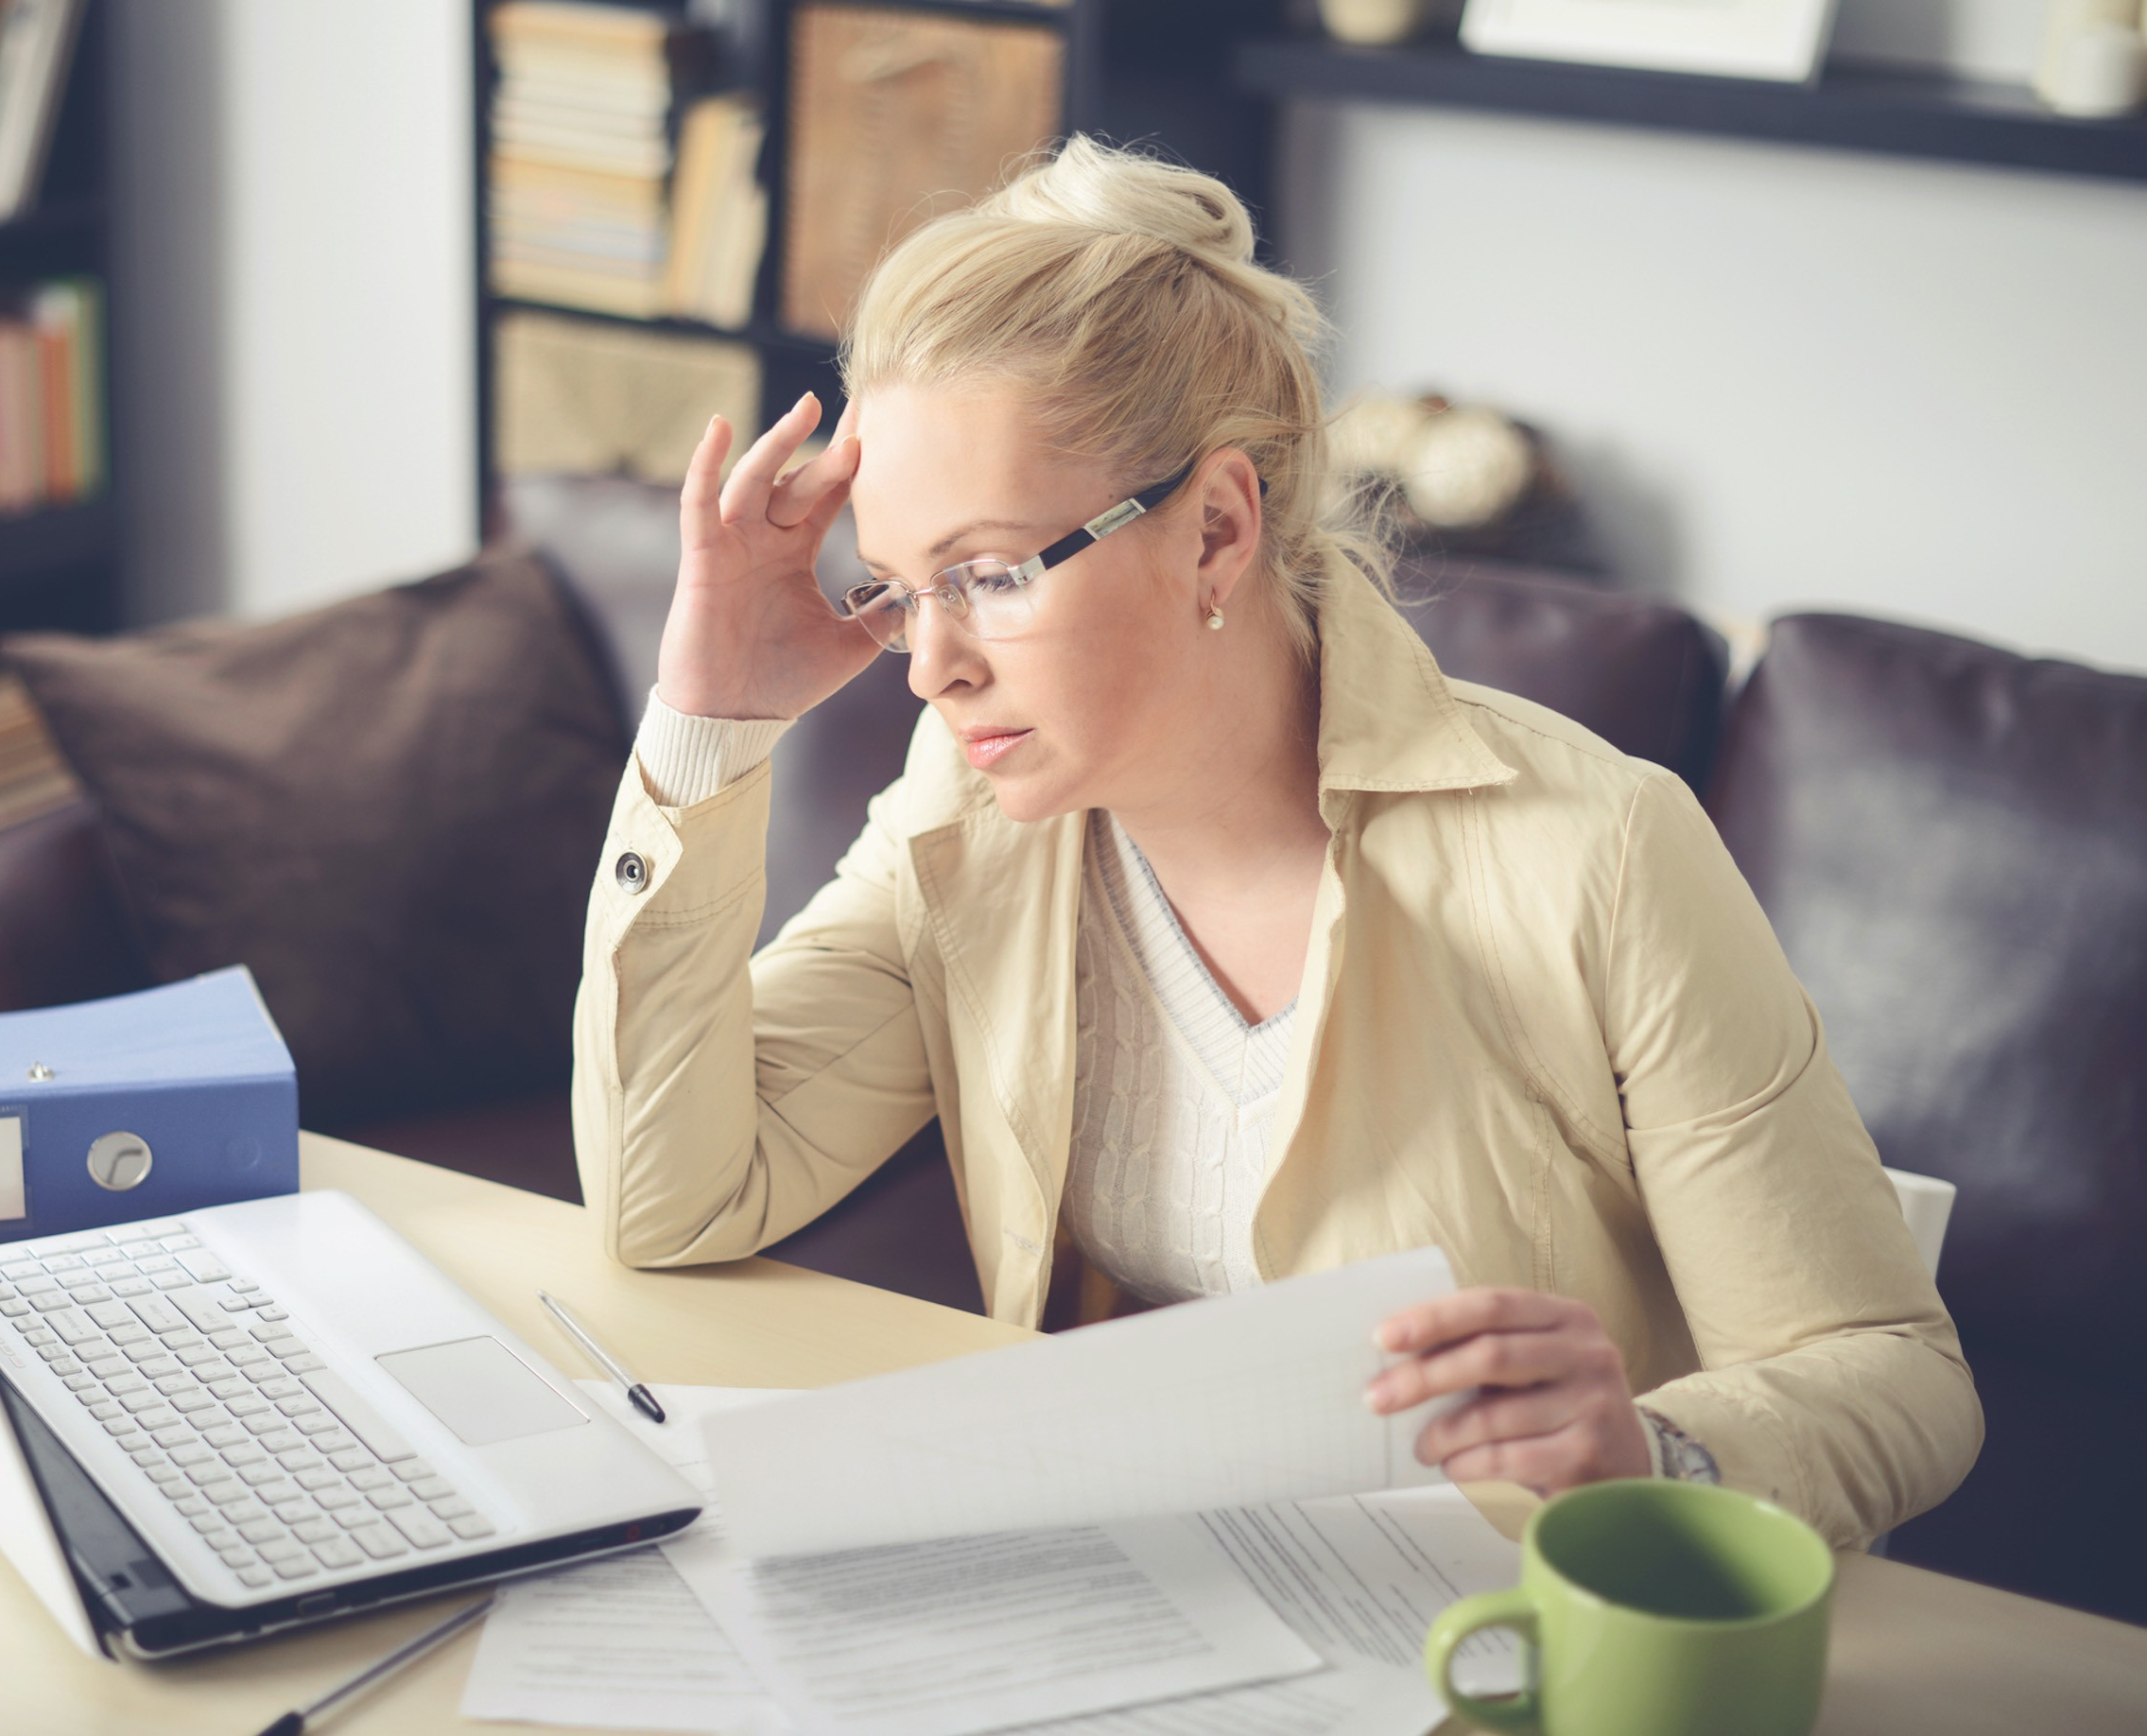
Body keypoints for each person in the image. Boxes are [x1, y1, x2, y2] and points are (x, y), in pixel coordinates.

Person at [571, 137, 1981, 1548]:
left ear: (1217, 530)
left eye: (990, 575)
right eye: (894, 588)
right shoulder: (969, 817)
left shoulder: (1596, 853)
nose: (928, 663)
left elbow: (1896, 1377)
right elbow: (672, 1199)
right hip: (1148, 1582)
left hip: (1506, 1612)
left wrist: (1655, 1459)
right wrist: (711, 722)